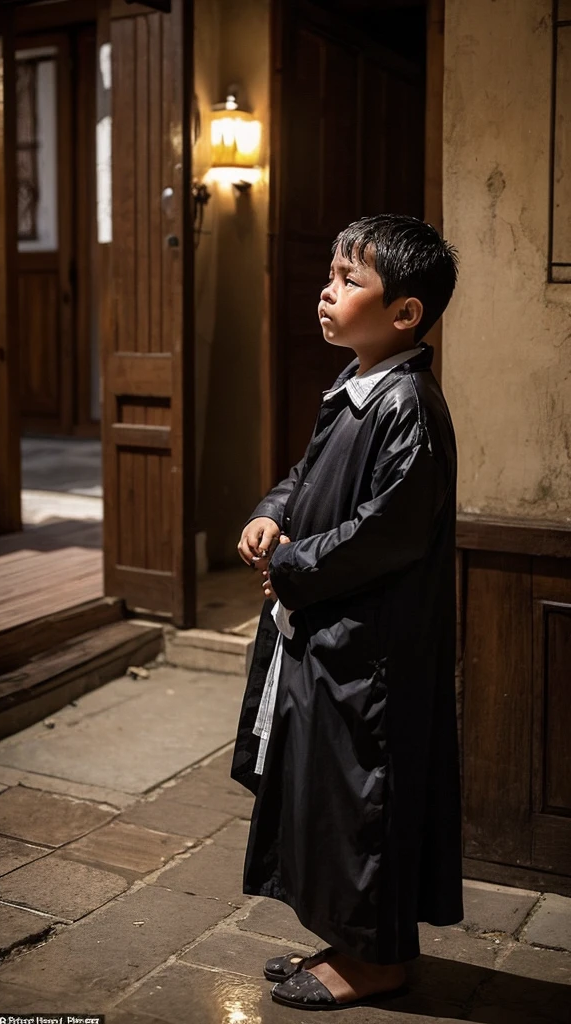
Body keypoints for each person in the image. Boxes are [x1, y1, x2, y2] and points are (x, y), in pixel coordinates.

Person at [231, 213, 463, 1011]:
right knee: (328, 794)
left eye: (348, 281)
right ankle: (350, 939)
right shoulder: (357, 387)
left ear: (407, 313)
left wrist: (291, 566)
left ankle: (378, 962)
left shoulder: (410, 407)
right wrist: (272, 512)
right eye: (329, 277)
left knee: (366, 800)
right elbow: (305, 475)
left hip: (372, 651)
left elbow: (386, 530)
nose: (326, 293)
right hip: (332, 635)